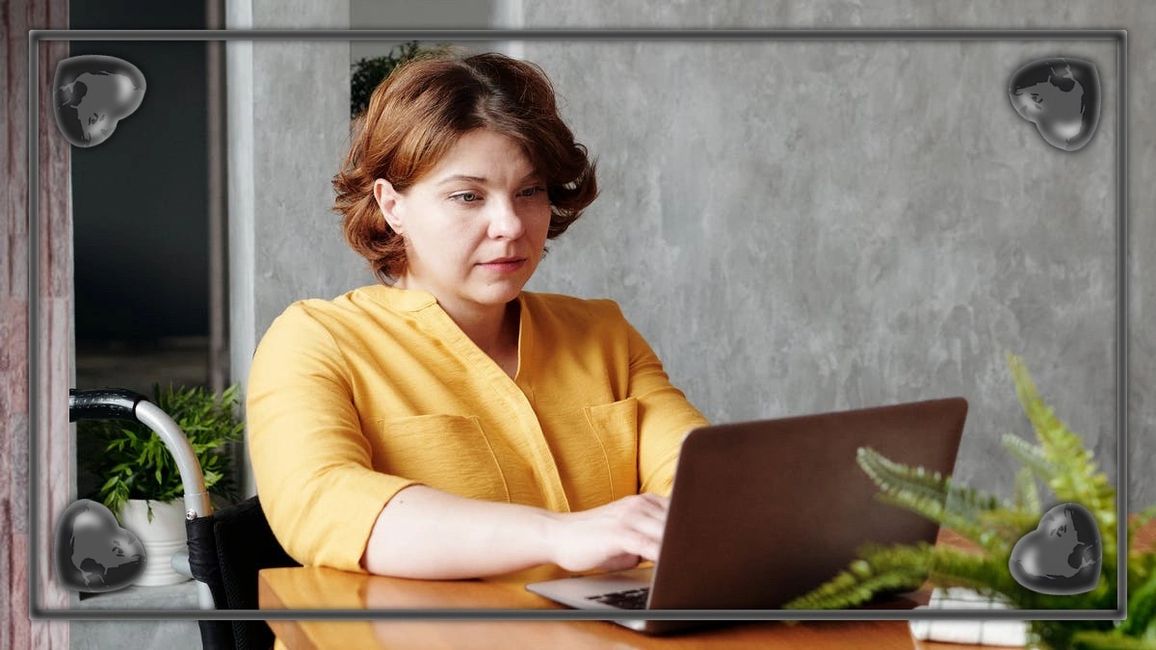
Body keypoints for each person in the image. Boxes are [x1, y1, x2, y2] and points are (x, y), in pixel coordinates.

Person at [246, 51, 709, 581]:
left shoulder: (604, 334)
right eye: (468, 196)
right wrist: (561, 535)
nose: (509, 224)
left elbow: (702, 483)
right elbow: (323, 503)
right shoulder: (314, 341)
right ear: (392, 206)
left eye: (529, 191)